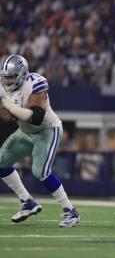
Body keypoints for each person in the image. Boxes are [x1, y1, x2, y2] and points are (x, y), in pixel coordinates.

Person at [0, 55, 80, 227]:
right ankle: (27, 201)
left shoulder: (35, 83)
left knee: (40, 171)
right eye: (4, 77)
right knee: (1, 162)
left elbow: (37, 117)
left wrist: (10, 106)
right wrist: (5, 109)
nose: (6, 80)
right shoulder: (3, 88)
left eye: (10, 77)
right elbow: (6, 117)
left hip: (47, 130)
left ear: (21, 74)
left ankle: (70, 210)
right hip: (25, 131)